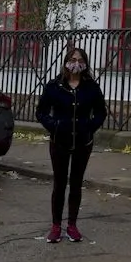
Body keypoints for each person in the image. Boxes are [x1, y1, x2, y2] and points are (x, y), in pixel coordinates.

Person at [35, 48, 107, 244]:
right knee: (59, 184)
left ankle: (72, 225)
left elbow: (101, 112)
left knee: (76, 184)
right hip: (59, 142)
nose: (76, 63)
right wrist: (55, 126)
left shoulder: (91, 87)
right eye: (73, 59)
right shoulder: (54, 86)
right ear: (66, 62)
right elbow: (41, 112)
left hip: (83, 142)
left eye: (80, 60)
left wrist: (89, 127)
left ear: (85, 64)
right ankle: (56, 225)